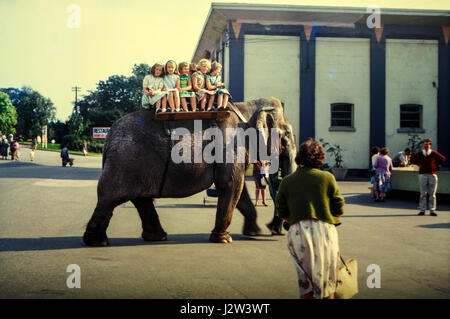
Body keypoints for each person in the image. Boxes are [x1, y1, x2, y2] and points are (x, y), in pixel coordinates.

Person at [276, 138, 344, 299]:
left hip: (298, 232)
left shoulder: (287, 181)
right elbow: (339, 209)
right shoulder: (327, 178)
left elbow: (282, 212)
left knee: (306, 283)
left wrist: (296, 219)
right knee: (327, 282)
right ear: (320, 157)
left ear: (299, 157)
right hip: (325, 231)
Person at [410, 138, 446, 216]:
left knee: (432, 194)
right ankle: (422, 209)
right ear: (423, 145)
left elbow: (442, 158)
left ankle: (432, 210)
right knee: (423, 193)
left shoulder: (433, 153)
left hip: (432, 174)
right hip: (422, 174)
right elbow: (413, 159)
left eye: (428, 144)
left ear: (430, 145)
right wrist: (419, 164)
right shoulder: (420, 153)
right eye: (425, 144)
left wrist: (435, 165)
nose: (426, 145)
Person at [266, 166, 284, 235]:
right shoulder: (276, 165)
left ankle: (277, 229)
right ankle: (274, 226)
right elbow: (276, 179)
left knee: (279, 208)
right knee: (279, 208)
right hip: (276, 189)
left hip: (277, 188)